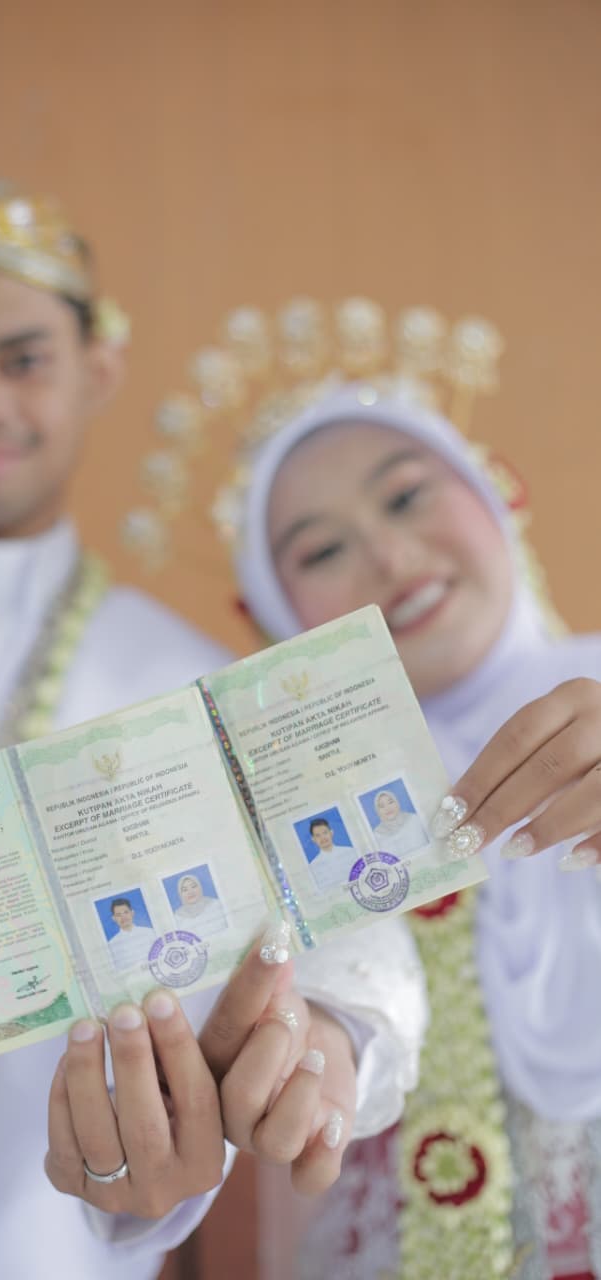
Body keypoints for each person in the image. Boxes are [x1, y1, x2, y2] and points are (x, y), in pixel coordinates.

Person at [0, 189, 427, 1280]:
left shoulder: (188, 686)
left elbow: (350, 930)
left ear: (98, 368)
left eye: (23, 361)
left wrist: (328, 1037)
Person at [213, 303, 601, 1278]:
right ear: (278, 615)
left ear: (492, 493)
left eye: (406, 496)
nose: (389, 558)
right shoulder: (278, 818)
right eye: (320, 551)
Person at [369, 788, 429, 858]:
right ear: (378, 811)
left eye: (390, 802)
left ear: (397, 803)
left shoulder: (414, 820)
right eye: (382, 806)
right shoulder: (377, 835)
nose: (387, 808)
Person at [172, 872, 227, 937]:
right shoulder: (177, 918)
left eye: (193, 886)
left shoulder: (216, 904)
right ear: (180, 894)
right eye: (185, 890)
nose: (190, 892)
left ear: (200, 888)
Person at [108, 896, 155, 970]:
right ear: (114, 918)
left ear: (132, 913)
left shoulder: (150, 932)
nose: (123, 917)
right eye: (118, 915)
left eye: (126, 912)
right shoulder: (111, 944)